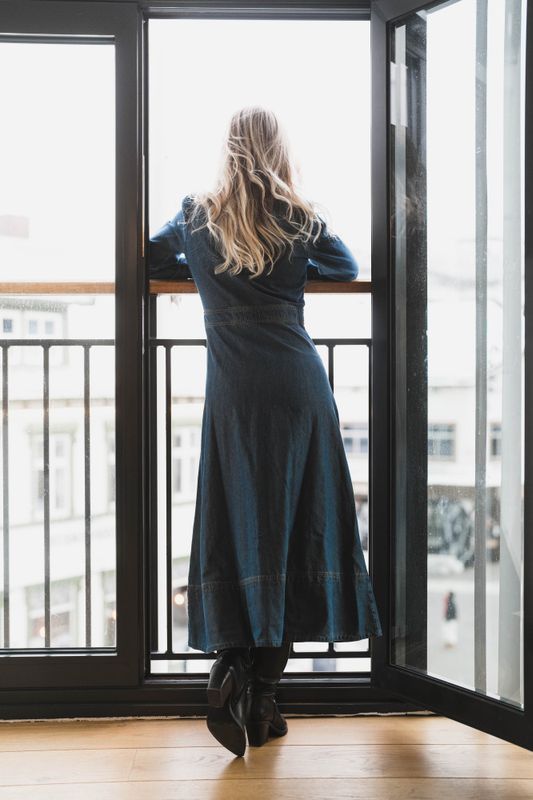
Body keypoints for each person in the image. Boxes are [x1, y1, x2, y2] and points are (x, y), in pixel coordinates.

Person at [148, 106, 383, 757]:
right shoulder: (299, 215)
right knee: (296, 524)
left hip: (235, 392)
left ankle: (232, 664)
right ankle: (262, 691)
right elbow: (343, 266)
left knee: (238, 519)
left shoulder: (197, 214)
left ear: (227, 150)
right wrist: (292, 274)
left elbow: (148, 258)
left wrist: (203, 276)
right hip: (298, 384)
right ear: (278, 150)